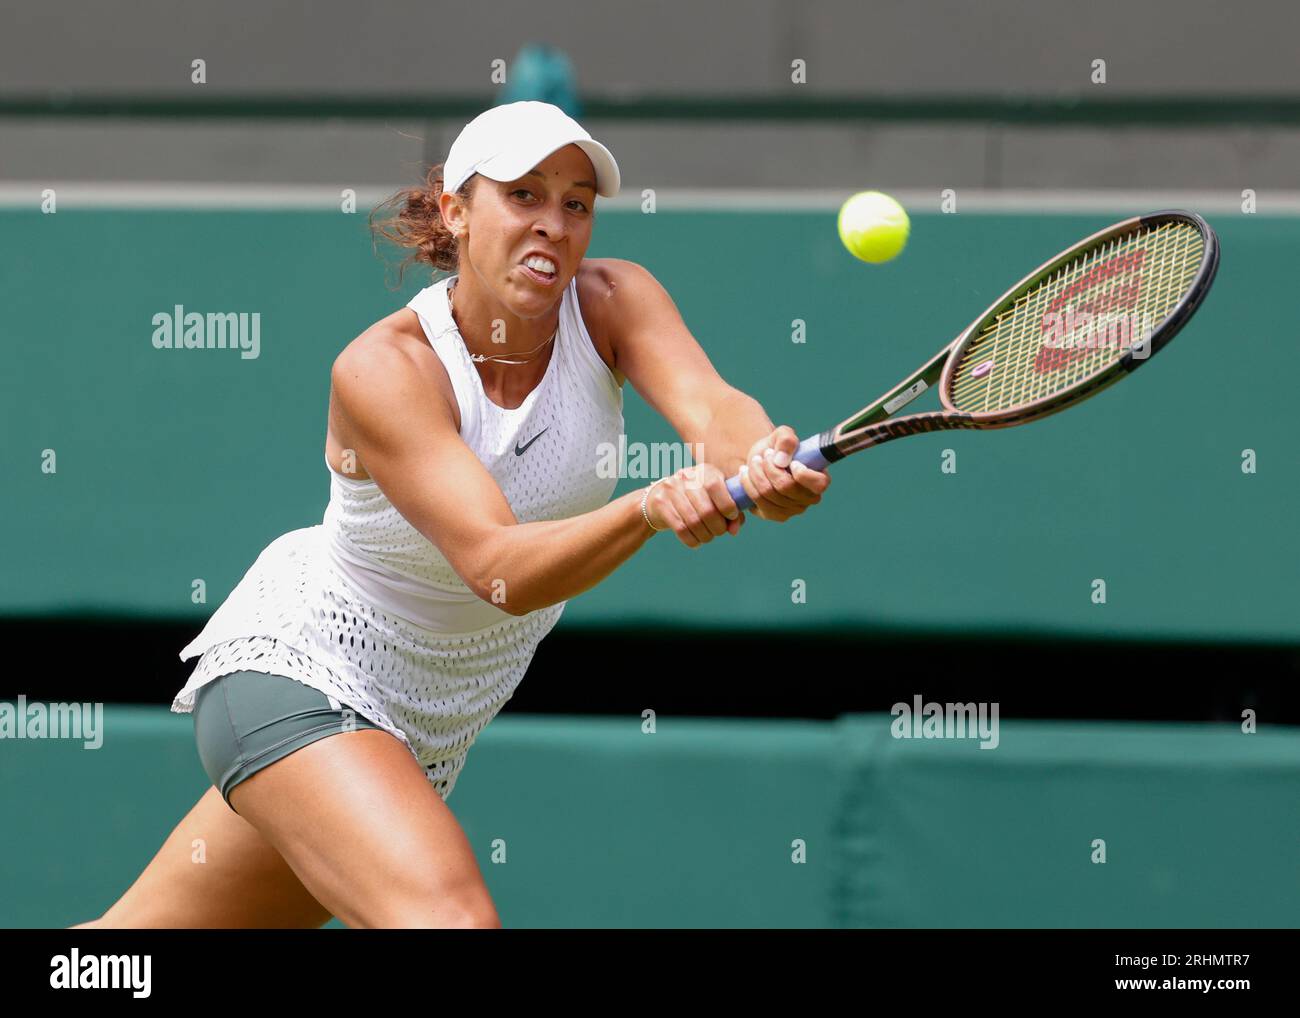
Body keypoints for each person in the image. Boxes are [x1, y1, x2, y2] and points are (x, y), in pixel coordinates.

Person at [76, 100, 830, 929]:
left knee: (123, 955)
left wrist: (760, 460)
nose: (554, 223)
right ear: (456, 211)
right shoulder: (383, 369)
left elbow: (715, 411)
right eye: (524, 195)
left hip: (422, 732)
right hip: (298, 672)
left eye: (576, 203)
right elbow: (497, 567)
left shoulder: (615, 300)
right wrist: (648, 508)